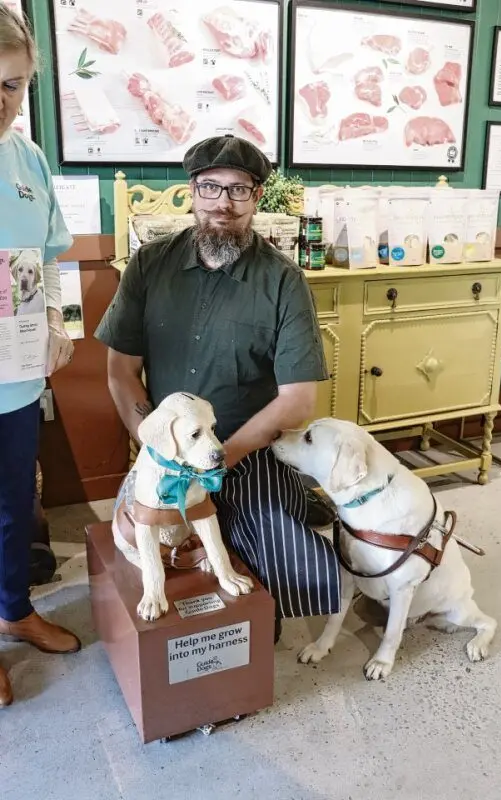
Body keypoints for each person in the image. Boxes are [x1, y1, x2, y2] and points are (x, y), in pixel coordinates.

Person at [95, 133, 341, 640]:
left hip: (246, 447)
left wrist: (217, 458)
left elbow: (297, 400)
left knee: (276, 535)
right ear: (191, 190)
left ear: (256, 197)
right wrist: (159, 450)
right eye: (211, 187)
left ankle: (255, 618)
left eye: (239, 190)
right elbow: (120, 371)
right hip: (165, 450)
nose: (223, 204)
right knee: (132, 532)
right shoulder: (147, 266)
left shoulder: (283, 280)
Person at [0, 3, 80, 708]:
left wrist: (58, 318)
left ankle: (13, 610)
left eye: (13, 84)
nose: (2, 101)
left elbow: (50, 259)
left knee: (11, 505)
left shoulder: (27, 159)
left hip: (16, 377)